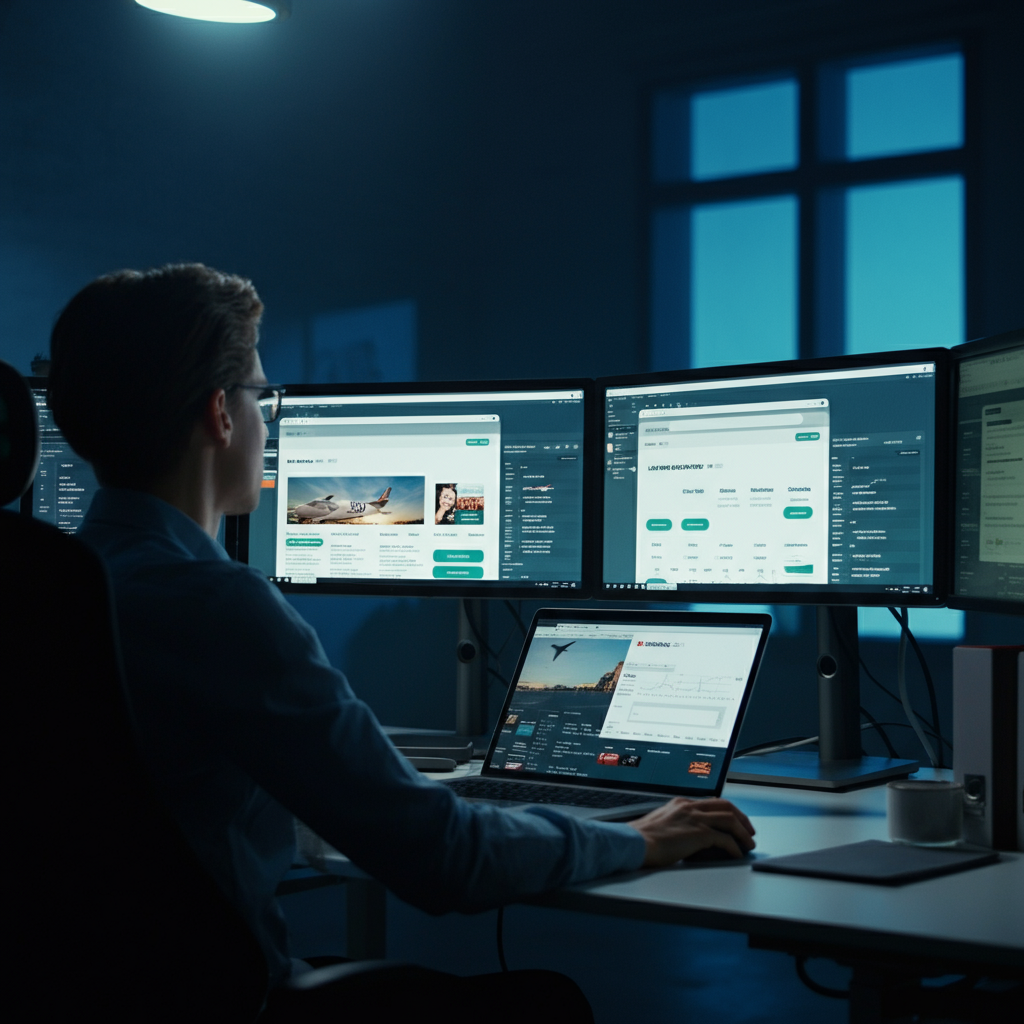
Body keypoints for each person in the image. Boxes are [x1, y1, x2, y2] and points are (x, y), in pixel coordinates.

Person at [47, 264, 755, 1017]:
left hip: (88, 991)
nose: (268, 421)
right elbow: (442, 860)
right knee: (547, 1003)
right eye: (263, 397)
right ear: (221, 414)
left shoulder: (55, 589)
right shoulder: (214, 603)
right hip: (224, 997)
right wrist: (640, 839)